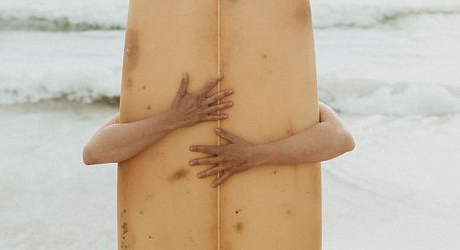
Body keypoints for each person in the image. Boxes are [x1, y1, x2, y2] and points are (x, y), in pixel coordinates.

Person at [82, 73, 355, 186]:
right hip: (176, 205)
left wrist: (254, 155)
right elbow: (95, 152)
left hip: (258, 209)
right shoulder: (171, 92)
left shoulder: (273, 89)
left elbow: (340, 140)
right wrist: (174, 118)